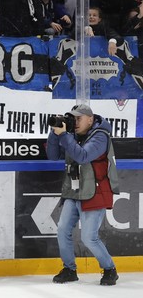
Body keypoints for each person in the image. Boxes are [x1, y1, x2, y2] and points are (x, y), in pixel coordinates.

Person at [46, 104, 119, 286]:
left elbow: (83, 156)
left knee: (89, 237)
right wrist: (55, 133)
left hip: (95, 192)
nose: (75, 122)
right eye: (73, 118)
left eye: (79, 118)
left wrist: (64, 135)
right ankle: (69, 269)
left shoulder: (100, 136)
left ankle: (109, 268)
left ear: (90, 119)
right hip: (74, 191)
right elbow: (53, 155)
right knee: (62, 230)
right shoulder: (71, 136)